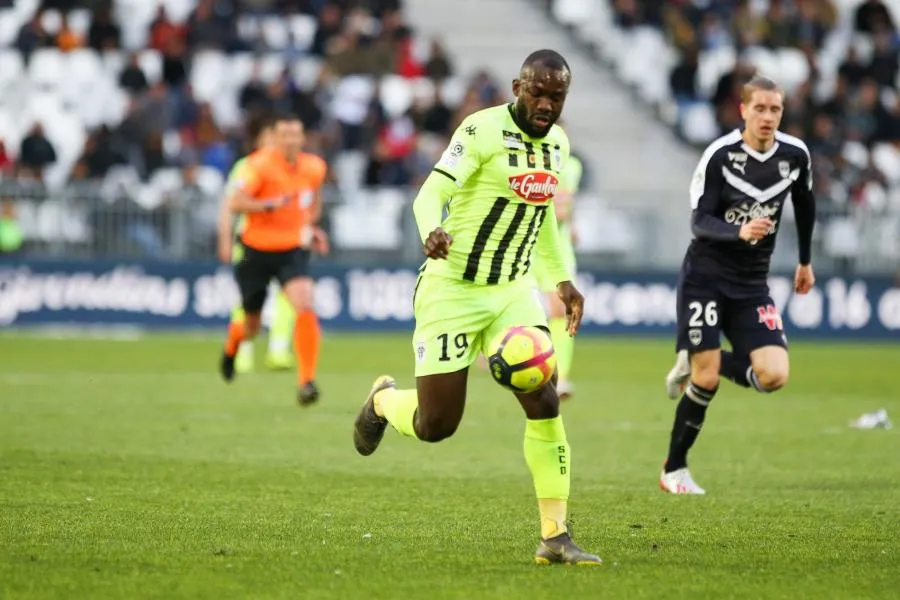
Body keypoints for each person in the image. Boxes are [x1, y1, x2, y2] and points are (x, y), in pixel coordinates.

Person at [352, 50, 602, 566]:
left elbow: (545, 222)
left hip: (511, 291)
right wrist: (431, 231)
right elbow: (429, 194)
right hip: (453, 289)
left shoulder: (557, 145)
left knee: (545, 399)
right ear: (518, 86)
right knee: (436, 425)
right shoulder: (480, 131)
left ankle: (554, 535)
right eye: (537, 91)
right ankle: (381, 402)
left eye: (557, 96)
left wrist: (562, 280)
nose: (546, 103)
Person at [660, 75, 817, 495]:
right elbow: (700, 221)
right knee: (707, 379)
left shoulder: (795, 155)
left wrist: (804, 261)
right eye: (760, 108)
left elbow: (804, 204)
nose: (768, 117)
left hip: (751, 284)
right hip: (705, 278)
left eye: (776, 109)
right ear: (742, 110)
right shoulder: (719, 155)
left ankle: (692, 359)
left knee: (773, 375)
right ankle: (673, 470)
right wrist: (740, 232)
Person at [219, 114, 329, 405]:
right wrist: (267, 205)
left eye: (296, 134)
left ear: (302, 138)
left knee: (304, 302)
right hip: (255, 251)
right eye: (284, 135)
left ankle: (307, 381)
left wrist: (310, 227)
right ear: (276, 137)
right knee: (252, 326)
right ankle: (232, 346)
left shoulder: (314, 167)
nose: (291, 140)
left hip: (291, 250)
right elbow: (234, 201)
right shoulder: (258, 165)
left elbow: (313, 201)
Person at [217, 114, 296, 374]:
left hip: (284, 244)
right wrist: (225, 239)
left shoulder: (289, 167)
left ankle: (278, 351)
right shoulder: (247, 166)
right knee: (248, 301)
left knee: (288, 297)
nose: (274, 143)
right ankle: (242, 352)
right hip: (251, 243)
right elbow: (229, 206)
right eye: (269, 138)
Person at [530, 147, 583, 399]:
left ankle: (560, 378)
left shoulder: (569, 166)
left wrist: (572, 224)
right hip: (526, 247)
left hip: (554, 249)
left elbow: (563, 209)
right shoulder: (523, 162)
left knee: (560, 311)